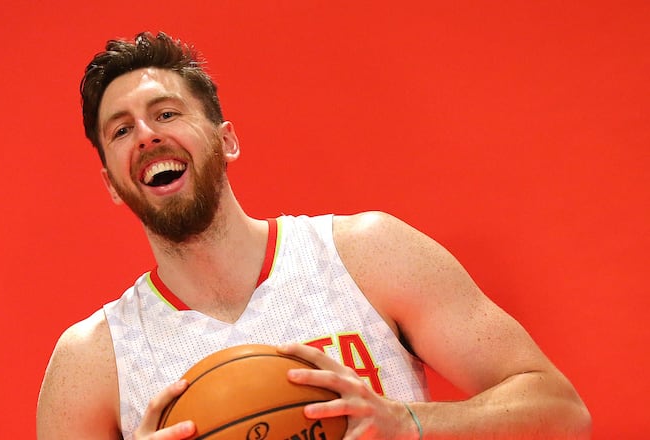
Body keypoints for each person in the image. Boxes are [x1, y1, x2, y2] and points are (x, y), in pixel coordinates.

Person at [37, 32, 591, 439]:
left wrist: (410, 423)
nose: (148, 135)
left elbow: (562, 413)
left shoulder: (368, 254)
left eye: (166, 113)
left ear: (226, 141)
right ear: (111, 182)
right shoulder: (92, 360)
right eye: (122, 129)